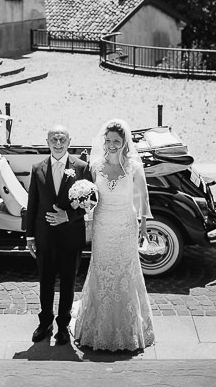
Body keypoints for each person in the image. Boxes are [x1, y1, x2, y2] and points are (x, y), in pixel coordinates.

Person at [74, 118, 155, 351]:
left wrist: (143, 225)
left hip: (125, 225)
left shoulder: (133, 167)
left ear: (125, 142)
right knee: (101, 269)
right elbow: (90, 195)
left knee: (126, 272)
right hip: (102, 225)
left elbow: (144, 196)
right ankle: (95, 325)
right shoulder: (95, 165)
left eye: (116, 141)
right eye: (108, 140)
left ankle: (129, 328)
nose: (111, 144)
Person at [24, 124, 91, 345]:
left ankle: (63, 326)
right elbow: (32, 203)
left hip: (71, 236)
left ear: (70, 142)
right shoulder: (37, 168)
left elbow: (89, 204)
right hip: (44, 237)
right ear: (47, 142)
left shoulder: (81, 168)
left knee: (68, 283)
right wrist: (30, 236)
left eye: (63, 139)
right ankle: (45, 323)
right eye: (54, 139)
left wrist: (68, 217)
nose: (59, 143)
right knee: (45, 282)